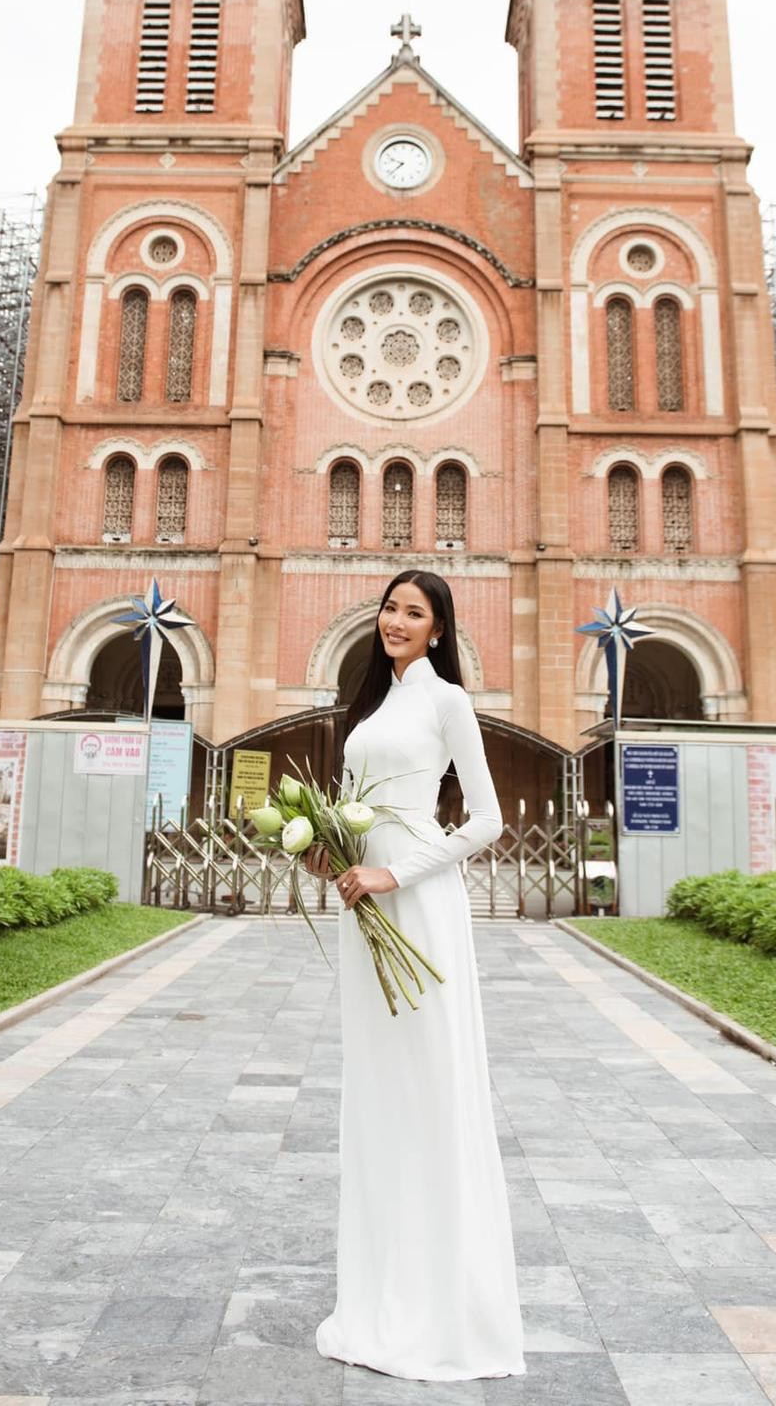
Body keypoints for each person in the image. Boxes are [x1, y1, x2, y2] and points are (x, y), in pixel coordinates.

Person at [308, 570, 526, 1382]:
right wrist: (322, 847)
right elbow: (355, 802)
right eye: (389, 607)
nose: (394, 620)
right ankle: (379, 1292)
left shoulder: (446, 701)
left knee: (429, 1088)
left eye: (412, 611)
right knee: (378, 1093)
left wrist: (399, 874)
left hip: (418, 904)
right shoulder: (370, 705)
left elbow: (488, 818)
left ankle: (440, 1305)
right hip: (361, 901)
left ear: (436, 629)